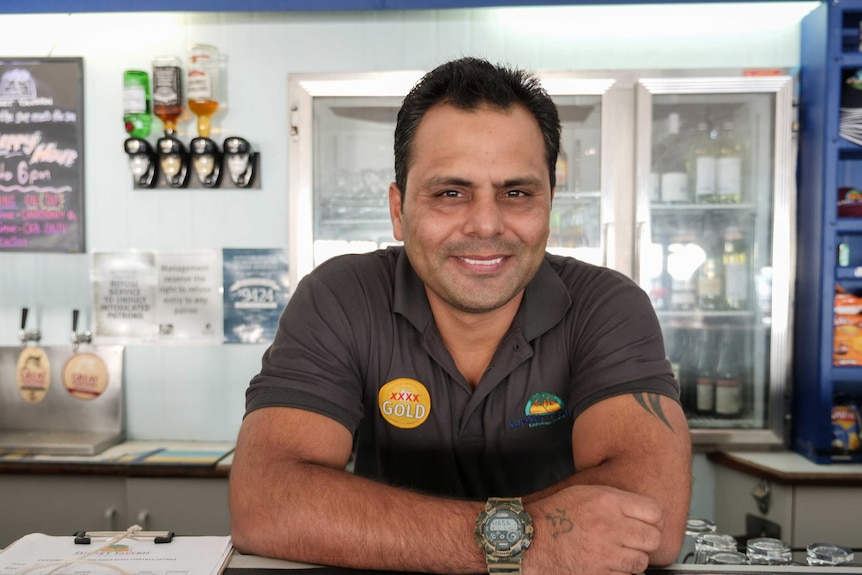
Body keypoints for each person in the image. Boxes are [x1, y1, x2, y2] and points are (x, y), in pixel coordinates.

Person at [229, 57, 691, 575]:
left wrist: (382, 526)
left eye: (516, 193)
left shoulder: (606, 306)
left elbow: (655, 517)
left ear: (549, 204)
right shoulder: (340, 297)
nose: (487, 224)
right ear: (399, 211)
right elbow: (265, 502)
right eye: (451, 193)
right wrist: (529, 541)